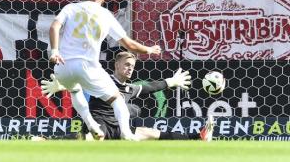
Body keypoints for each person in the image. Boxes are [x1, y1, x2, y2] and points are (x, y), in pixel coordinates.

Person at [45, 0, 161, 141]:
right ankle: (126, 133)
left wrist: (55, 50)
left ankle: (91, 124)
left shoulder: (70, 8)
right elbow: (129, 45)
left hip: (62, 65)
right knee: (117, 99)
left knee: (75, 90)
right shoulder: (105, 15)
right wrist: (149, 49)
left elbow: (54, 26)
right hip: (87, 66)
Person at [41, 51, 214, 141]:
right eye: (127, 64)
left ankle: (197, 137)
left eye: (132, 66)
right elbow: (80, 83)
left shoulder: (130, 88)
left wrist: (171, 81)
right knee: (85, 140)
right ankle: (47, 142)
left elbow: (151, 87)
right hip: (101, 124)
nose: (130, 68)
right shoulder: (102, 79)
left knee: (153, 134)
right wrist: (62, 85)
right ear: (116, 65)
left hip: (120, 128)